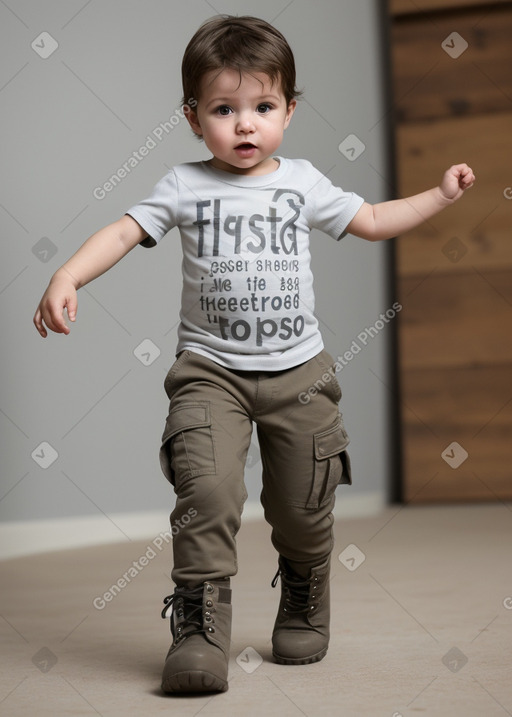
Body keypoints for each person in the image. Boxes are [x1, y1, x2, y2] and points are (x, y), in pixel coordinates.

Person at [33, 14, 475, 695]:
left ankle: (303, 588)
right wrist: (67, 275)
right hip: (211, 375)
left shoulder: (301, 182)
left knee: (303, 502)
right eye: (224, 109)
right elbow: (123, 232)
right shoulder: (185, 185)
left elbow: (375, 221)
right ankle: (201, 624)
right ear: (192, 117)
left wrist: (438, 195)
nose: (245, 125)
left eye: (263, 107)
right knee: (205, 488)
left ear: (289, 110)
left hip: (301, 372)